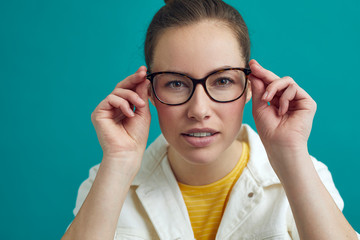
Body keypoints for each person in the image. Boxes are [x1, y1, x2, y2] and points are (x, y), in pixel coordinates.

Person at [62, 0, 359, 239]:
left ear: (249, 88)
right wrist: (120, 159)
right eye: (176, 83)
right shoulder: (107, 180)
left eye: (222, 81)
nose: (199, 110)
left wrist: (291, 153)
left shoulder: (307, 175)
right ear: (149, 92)